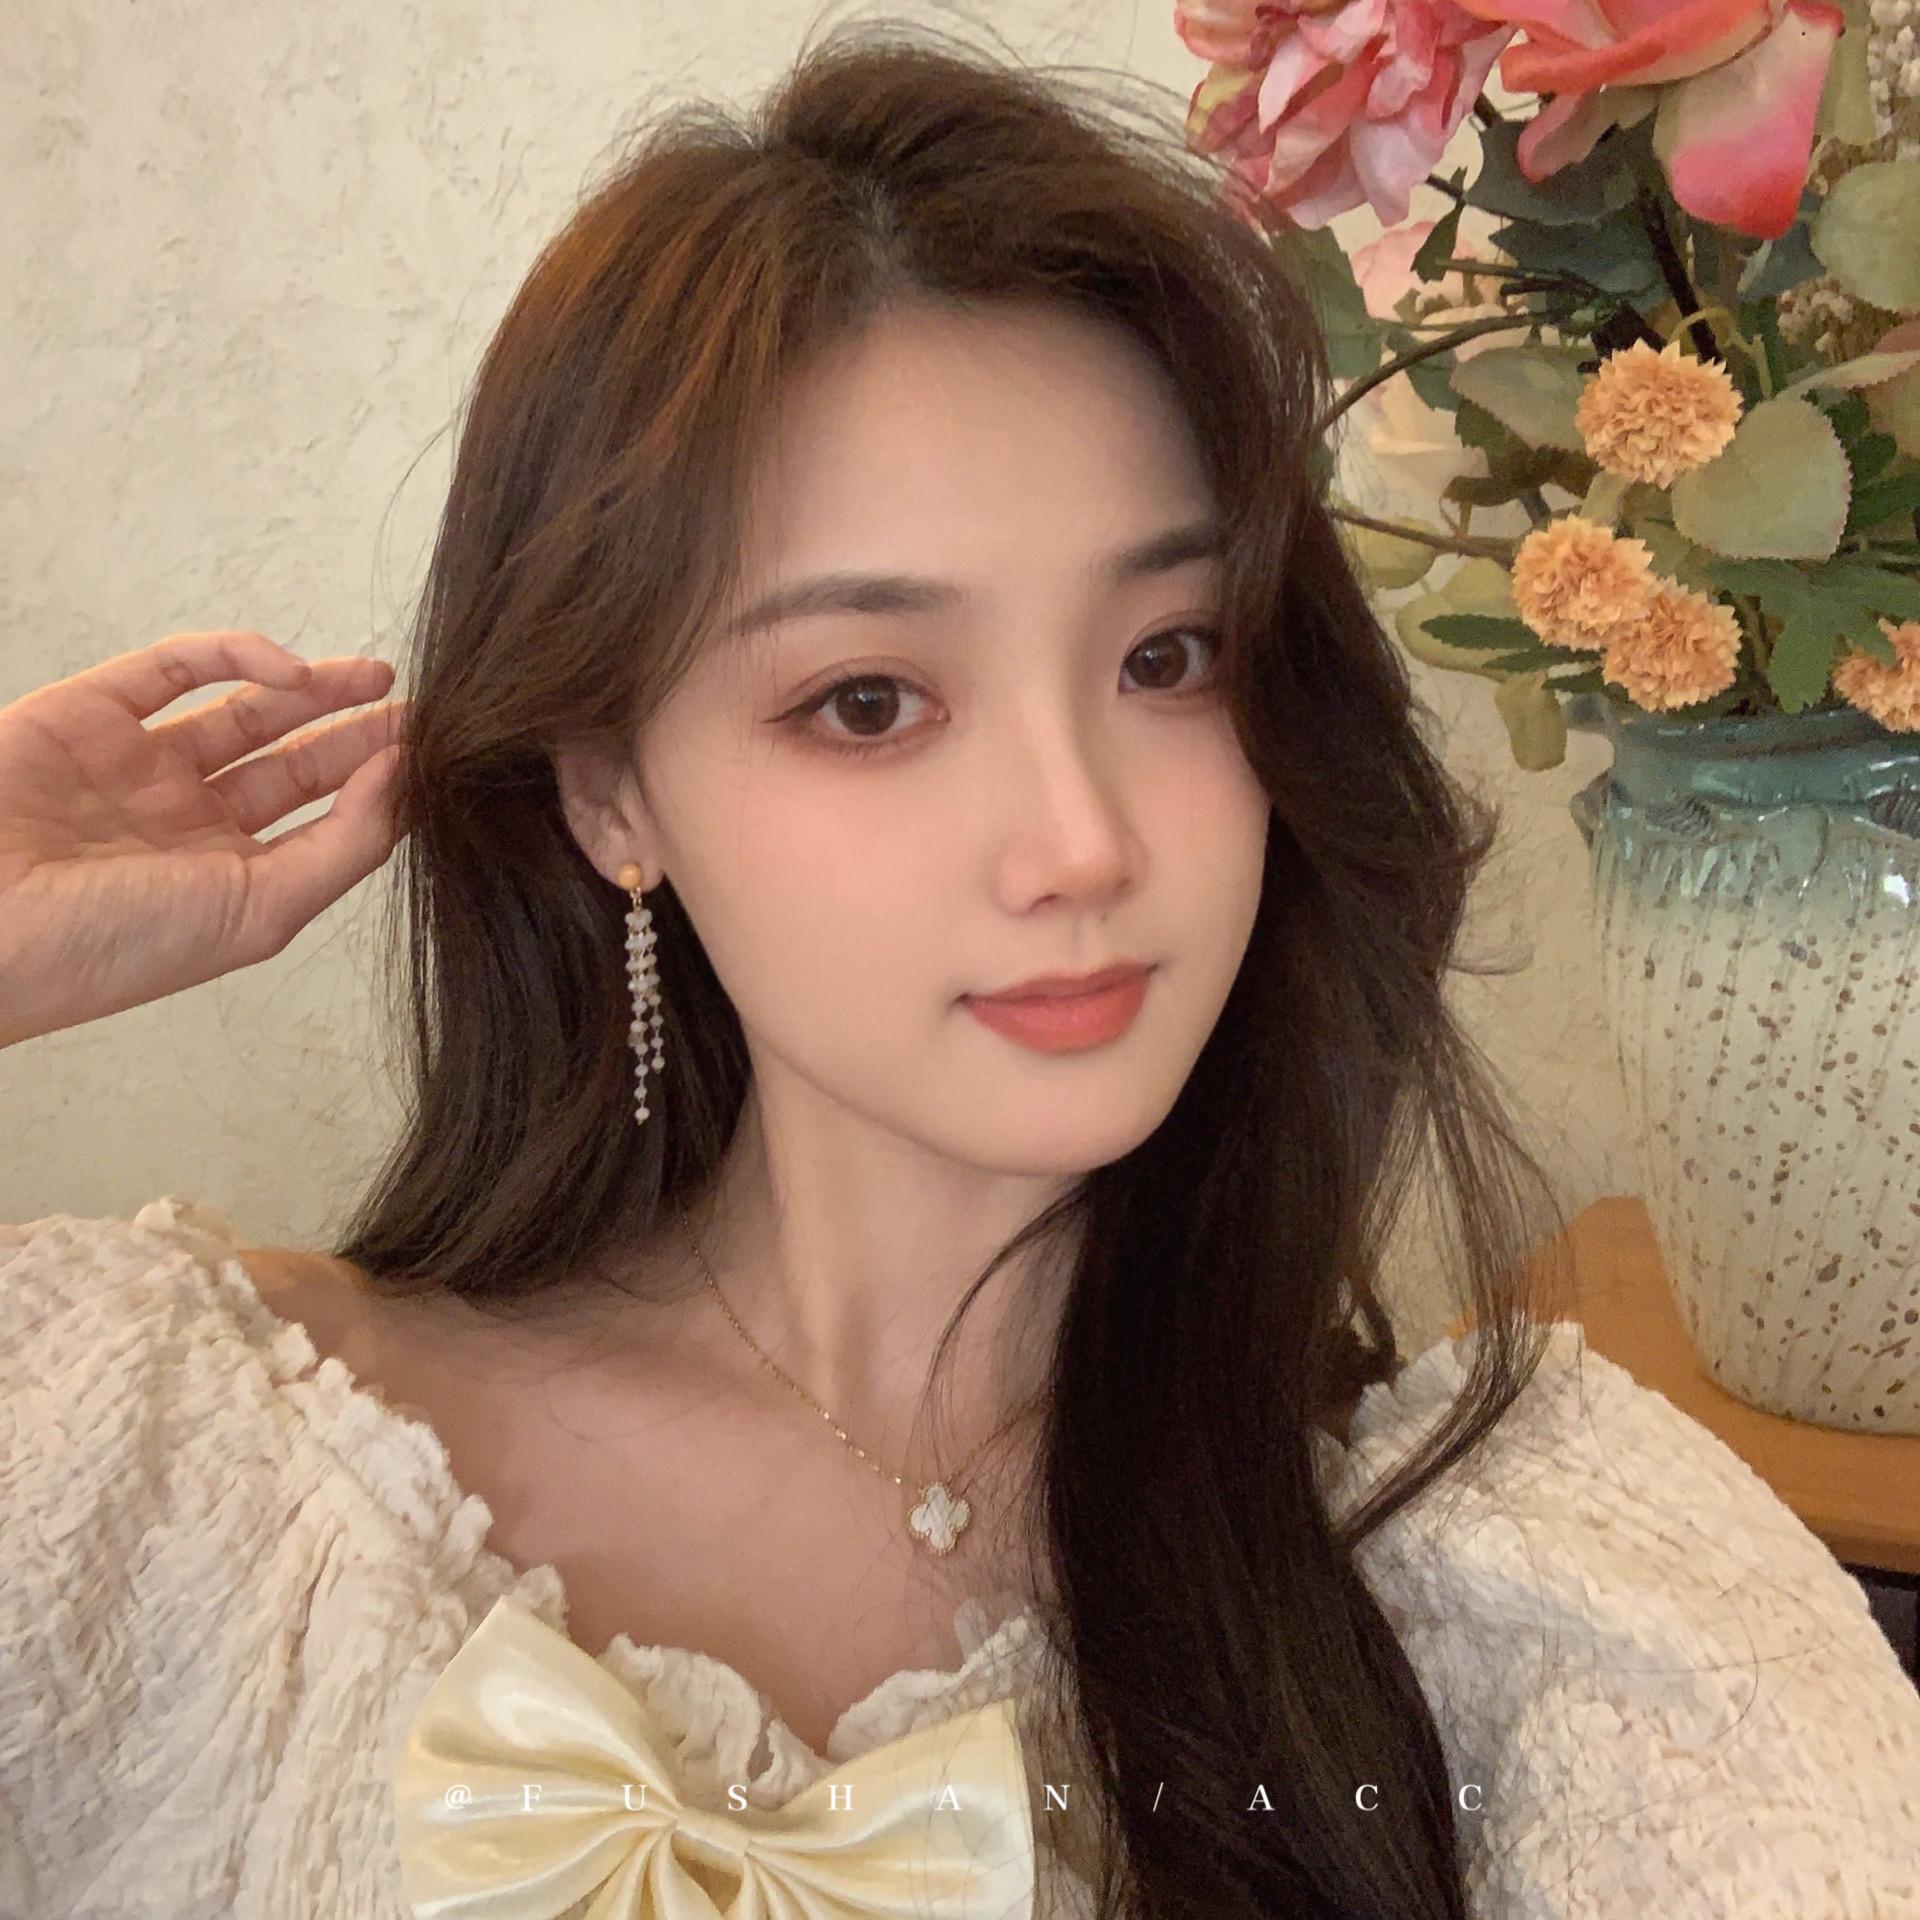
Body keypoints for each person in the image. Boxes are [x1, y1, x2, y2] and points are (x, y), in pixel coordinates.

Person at [4, 18, 1919, 1920]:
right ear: (609, 795)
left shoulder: (1521, 1584)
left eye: (1167, 657)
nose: (1081, 841)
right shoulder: (167, 1465)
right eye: (870, 700)